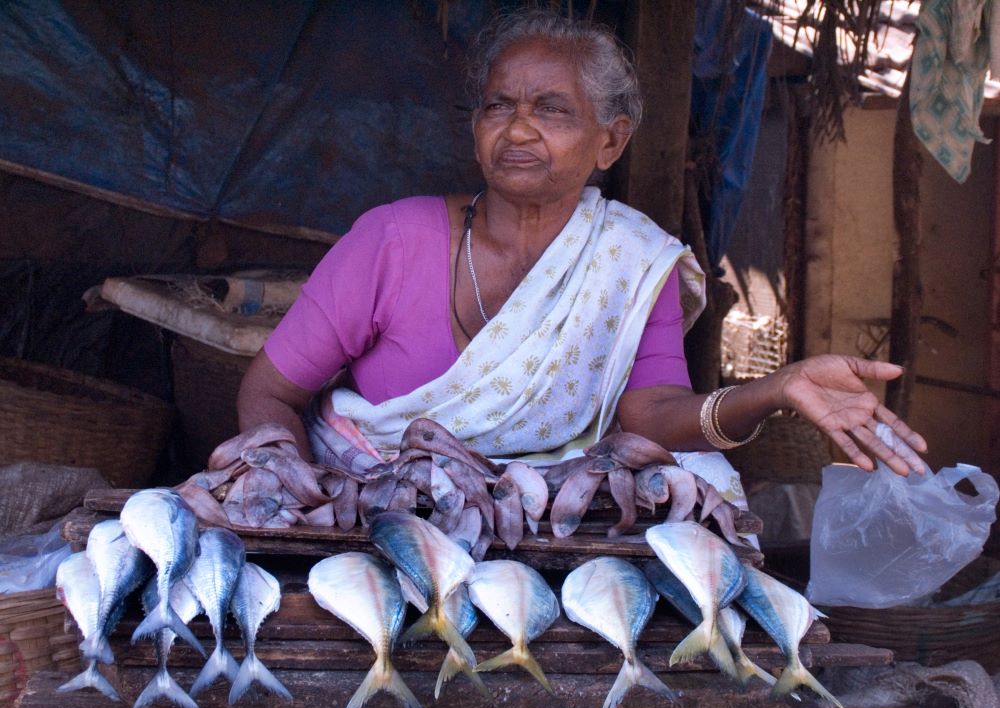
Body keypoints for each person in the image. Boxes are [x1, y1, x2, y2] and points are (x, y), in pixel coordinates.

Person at [237, 10, 927, 483]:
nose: (517, 129)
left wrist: (773, 390)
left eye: (552, 109)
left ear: (611, 140)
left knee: (704, 482)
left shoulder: (633, 263)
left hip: (541, 522)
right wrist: (297, 495)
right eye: (498, 105)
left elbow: (651, 417)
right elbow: (268, 393)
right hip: (368, 509)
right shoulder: (392, 240)